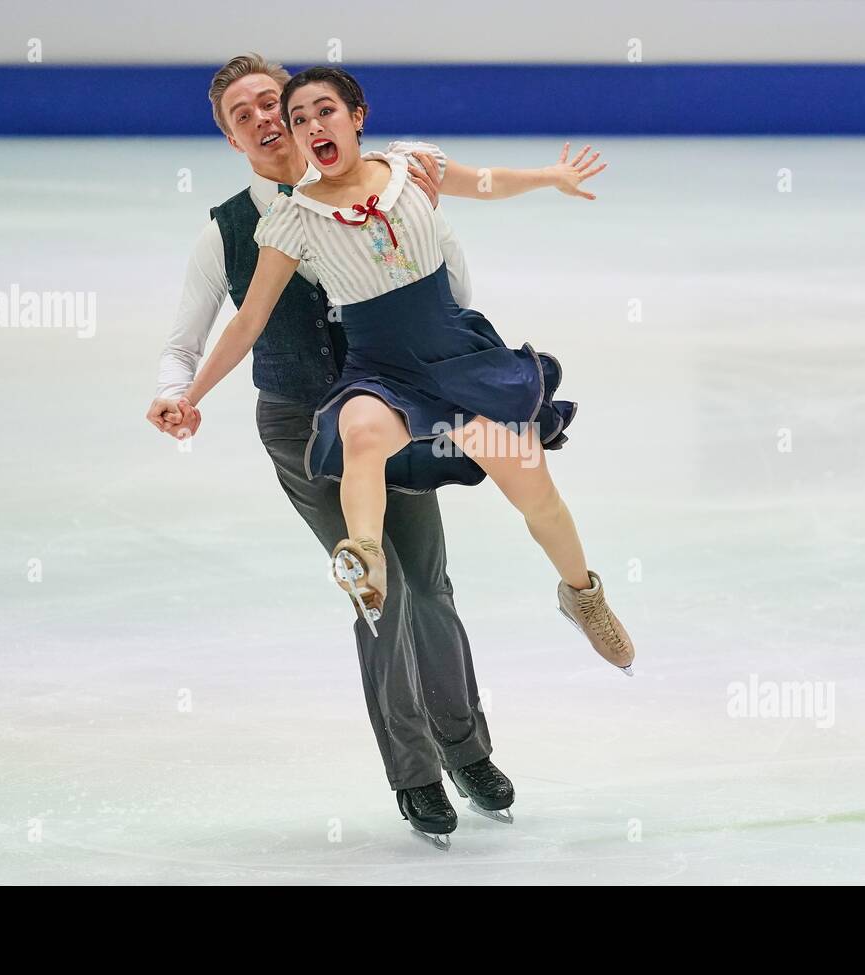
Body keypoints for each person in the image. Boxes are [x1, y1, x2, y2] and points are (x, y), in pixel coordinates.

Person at [148, 55, 608, 846]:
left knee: (428, 580)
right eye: (243, 115)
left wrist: (460, 380)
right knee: (380, 592)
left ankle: (467, 751)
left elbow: (448, 274)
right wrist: (177, 392)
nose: (264, 119)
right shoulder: (235, 227)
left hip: (398, 401)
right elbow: (199, 334)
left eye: (274, 103)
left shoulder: (392, 178)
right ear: (231, 139)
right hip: (302, 422)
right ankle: (415, 774)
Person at [177, 65, 636, 681]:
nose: (312, 126)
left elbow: (488, 182)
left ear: (356, 117)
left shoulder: (410, 169)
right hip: (381, 371)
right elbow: (248, 320)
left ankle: (582, 594)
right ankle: (364, 557)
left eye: (325, 111)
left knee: (538, 497)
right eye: (299, 119)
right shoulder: (292, 221)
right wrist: (190, 395)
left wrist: (550, 177)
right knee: (362, 431)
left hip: (457, 358)